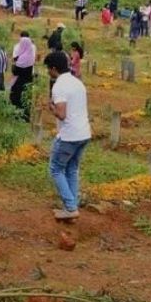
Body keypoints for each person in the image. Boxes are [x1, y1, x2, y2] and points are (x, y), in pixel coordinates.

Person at [47, 51, 91, 221]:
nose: (48, 72)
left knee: (56, 169)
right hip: (84, 132)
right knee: (71, 169)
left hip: (69, 135)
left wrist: (52, 108)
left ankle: (71, 207)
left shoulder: (59, 86)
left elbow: (62, 114)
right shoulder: (77, 82)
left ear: (53, 68)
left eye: (48, 69)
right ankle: (72, 206)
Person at [10, 31, 36, 120]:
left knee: (16, 97)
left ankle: (16, 115)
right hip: (28, 80)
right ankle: (26, 116)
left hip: (18, 82)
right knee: (26, 97)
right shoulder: (31, 55)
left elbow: (15, 71)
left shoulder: (20, 58)